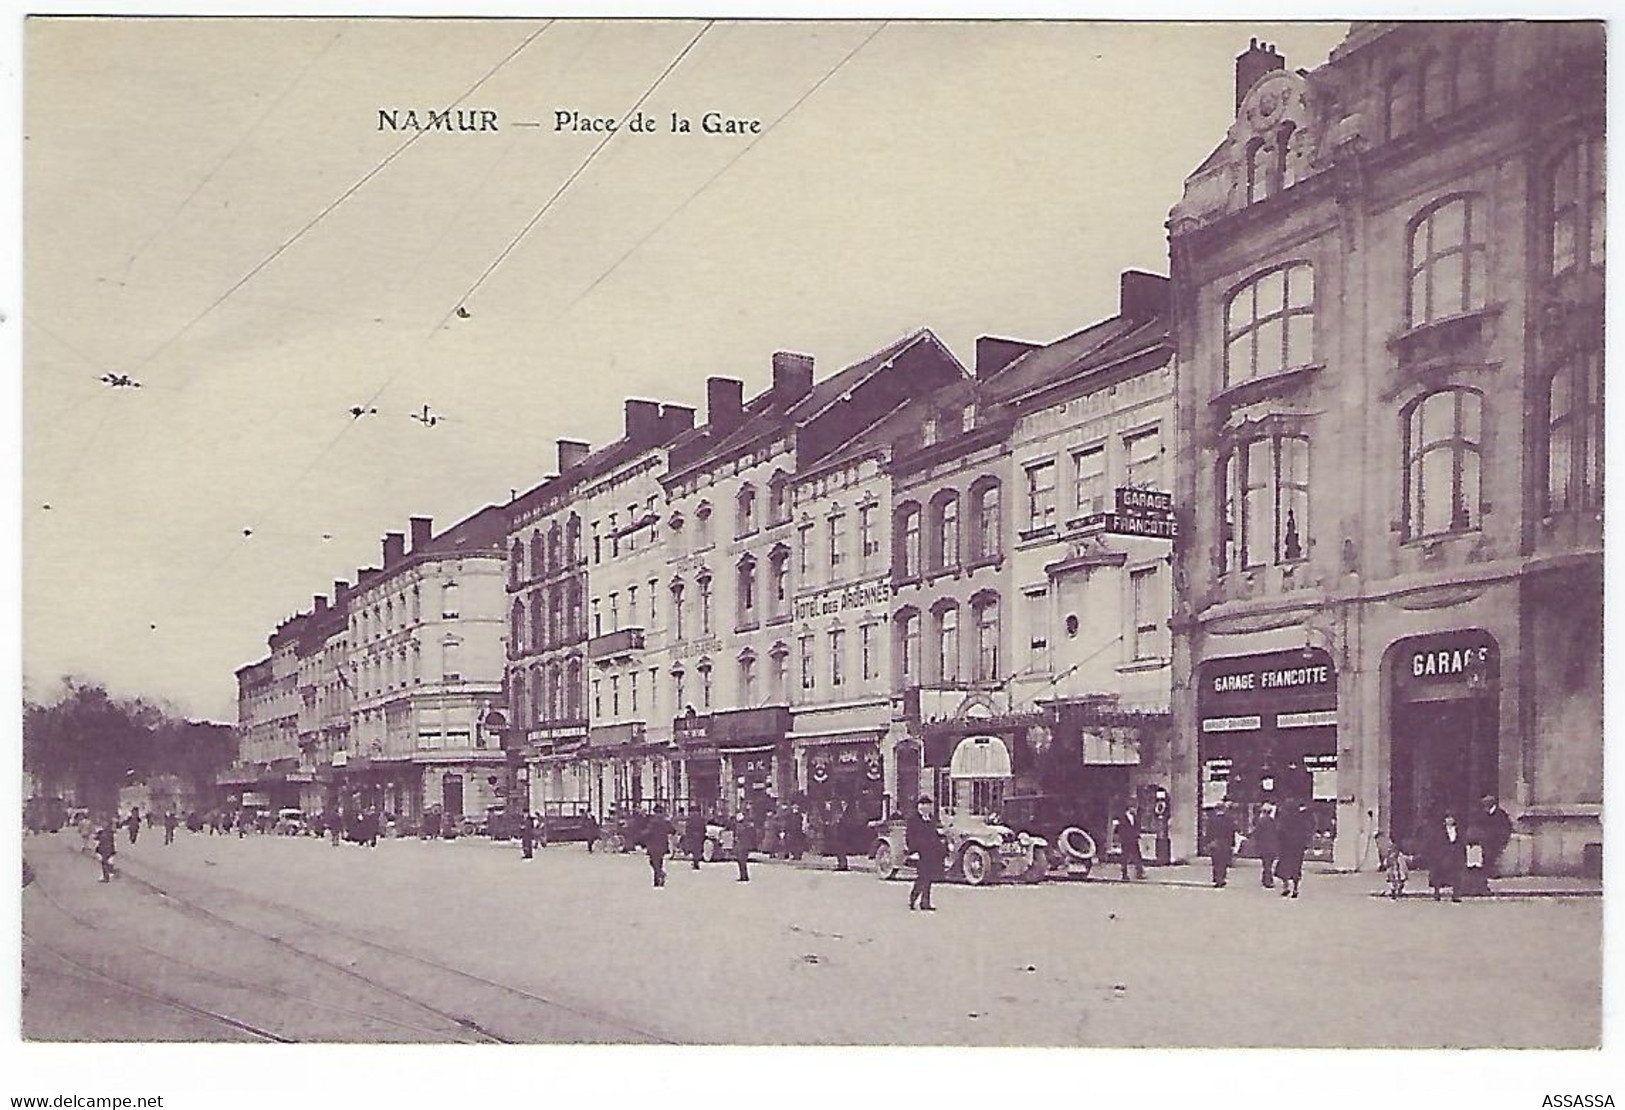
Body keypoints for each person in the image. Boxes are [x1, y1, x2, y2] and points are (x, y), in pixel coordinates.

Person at [906, 796, 946, 911]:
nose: (926, 807)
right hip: (920, 852)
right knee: (922, 877)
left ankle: (925, 902)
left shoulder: (931, 819)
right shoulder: (913, 820)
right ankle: (913, 897)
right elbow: (910, 837)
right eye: (923, 804)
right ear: (918, 806)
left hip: (931, 853)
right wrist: (913, 851)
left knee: (928, 878)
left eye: (928, 805)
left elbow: (934, 835)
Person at [1275, 801, 1313, 899]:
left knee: (1284, 867)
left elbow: (1279, 832)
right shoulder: (1301, 819)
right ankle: (1295, 889)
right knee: (1296, 868)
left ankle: (1286, 887)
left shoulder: (1284, 819)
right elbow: (1306, 832)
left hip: (1286, 847)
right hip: (1297, 848)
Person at [1428, 812, 1467, 902]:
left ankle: (1456, 895)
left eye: (1451, 818)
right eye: (1447, 818)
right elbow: (1435, 842)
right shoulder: (1438, 830)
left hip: (1455, 856)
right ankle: (1437, 893)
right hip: (1442, 855)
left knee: (1456, 875)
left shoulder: (1459, 830)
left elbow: (1461, 843)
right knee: (1438, 875)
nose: (1449, 820)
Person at [1475, 795, 1514, 878]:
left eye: (1485, 805)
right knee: (1486, 855)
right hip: (1487, 839)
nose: (1484, 808)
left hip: (1497, 840)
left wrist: (1503, 838)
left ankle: (1493, 873)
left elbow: (1507, 826)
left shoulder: (1501, 814)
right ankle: (1487, 873)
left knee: (1493, 856)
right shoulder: (1485, 814)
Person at [643, 804, 676, 888]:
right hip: (663, 844)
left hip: (653, 844)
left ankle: (659, 876)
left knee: (653, 862)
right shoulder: (665, 821)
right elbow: (673, 831)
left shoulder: (653, 821)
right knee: (659, 861)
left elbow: (648, 832)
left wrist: (642, 836)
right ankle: (658, 878)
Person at [1207, 802, 1236, 887]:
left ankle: (1217, 878)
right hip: (1225, 843)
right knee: (1223, 862)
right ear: (1224, 809)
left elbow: (1209, 832)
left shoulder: (1212, 820)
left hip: (1215, 843)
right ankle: (1222, 878)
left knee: (1216, 862)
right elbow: (1231, 832)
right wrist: (1232, 844)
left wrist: (1208, 842)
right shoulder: (1228, 820)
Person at [1252, 802, 1280, 888]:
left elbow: (1257, 833)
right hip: (1272, 845)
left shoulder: (1260, 822)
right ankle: (1266, 879)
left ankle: (1267, 880)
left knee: (1266, 864)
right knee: (1269, 863)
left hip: (1263, 845)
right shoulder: (1273, 822)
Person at [1115, 804, 1145, 881]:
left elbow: (1136, 827)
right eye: (1133, 808)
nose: (1134, 810)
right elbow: (1119, 829)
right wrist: (1121, 838)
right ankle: (1124, 874)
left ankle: (1139, 872)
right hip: (1126, 840)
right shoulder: (1122, 818)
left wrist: (1137, 834)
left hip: (1133, 839)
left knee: (1137, 856)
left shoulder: (1135, 817)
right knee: (1125, 857)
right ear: (1129, 808)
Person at [1377, 829, 1409, 900]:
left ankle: (1397, 891)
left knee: (1398, 877)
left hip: (1396, 863)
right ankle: (1395, 891)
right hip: (1393, 864)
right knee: (1394, 878)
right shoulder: (1390, 847)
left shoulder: (1393, 847)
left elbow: (1394, 854)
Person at [734, 811, 754, 882]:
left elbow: (738, 835)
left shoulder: (741, 826)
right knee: (743, 861)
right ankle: (744, 876)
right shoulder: (746, 826)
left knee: (741, 861)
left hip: (742, 845)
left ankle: (743, 876)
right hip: (745, 845)